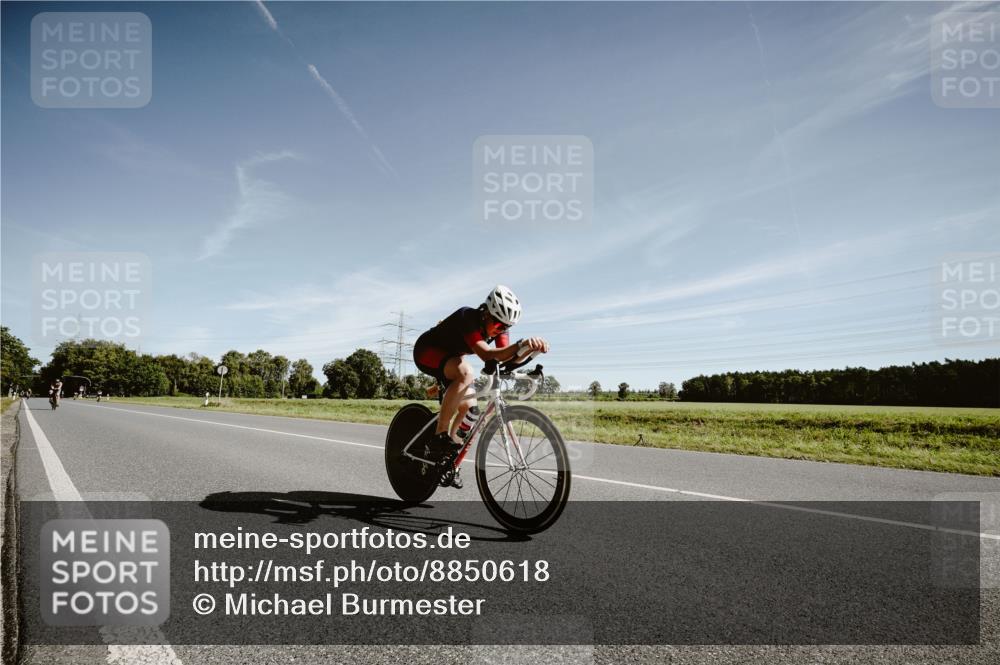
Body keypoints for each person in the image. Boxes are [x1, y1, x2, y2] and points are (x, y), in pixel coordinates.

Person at [412, 285, 548, 461]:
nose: (499, 330)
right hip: (426, 351)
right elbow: (487, 354)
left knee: (471, 410)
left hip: (452, 360)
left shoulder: (499, 328)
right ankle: (440, 435)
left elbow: (505, 358)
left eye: (505, 327)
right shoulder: (467, 317)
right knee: (466, 372)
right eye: (498, 324)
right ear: (486, 313)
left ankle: (446, 457)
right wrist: (520, 344)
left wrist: (530, 349)